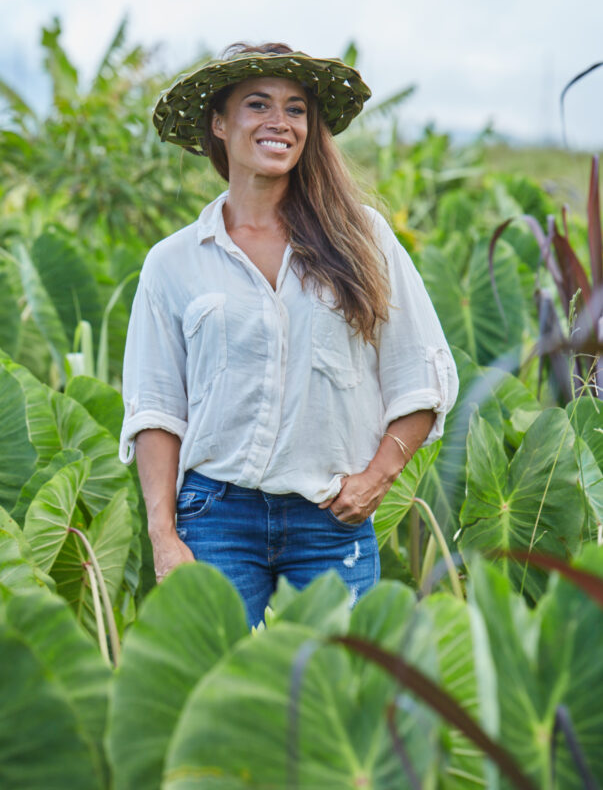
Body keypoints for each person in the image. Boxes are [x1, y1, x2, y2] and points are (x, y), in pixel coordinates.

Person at [120, 42, 458, 626]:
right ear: (219, 124)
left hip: (329, 518)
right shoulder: (174, 261)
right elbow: (156, 409)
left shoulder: (361, 238)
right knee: (217, 695)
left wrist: (377, 480)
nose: (280, 122)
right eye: (258, 104)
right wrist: (162, 534)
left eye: (296, 109)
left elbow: (421, 374)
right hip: (215, 514)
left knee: (342, 695)